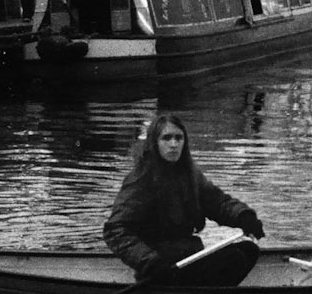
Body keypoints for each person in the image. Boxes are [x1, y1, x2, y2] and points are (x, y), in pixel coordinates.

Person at [103, 111, 265, 277]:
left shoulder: (190, 175)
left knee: (248, 250)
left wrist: (243, 216)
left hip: (186, 257)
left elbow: (219, 203)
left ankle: (205, 291)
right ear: (154, 143)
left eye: (178, 138)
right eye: (166, 138)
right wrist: (148, 261)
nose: (173, 144)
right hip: (159, 267)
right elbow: (115, 230)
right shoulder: (141, 179)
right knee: (234, 258)